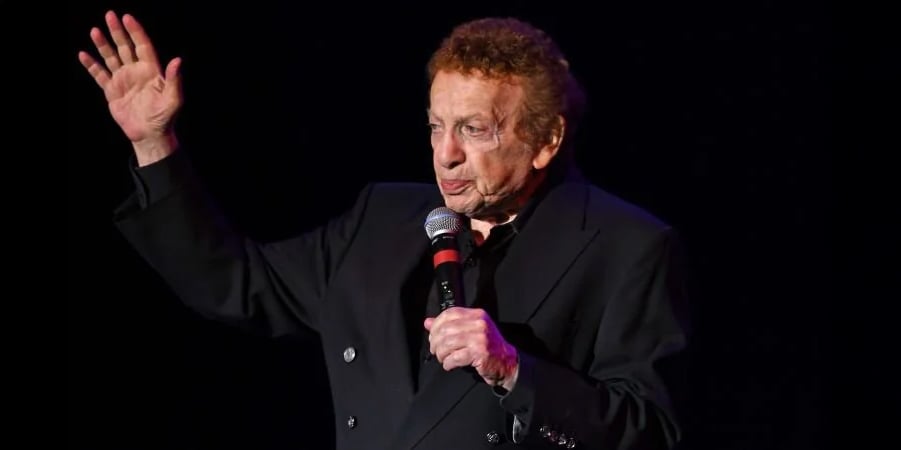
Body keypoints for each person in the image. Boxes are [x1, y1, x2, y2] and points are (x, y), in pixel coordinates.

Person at [79, 10, 690, 450]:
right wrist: (153, 144)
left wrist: (513, 371)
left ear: (545, 140)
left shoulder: (622, 246)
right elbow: (234, 283)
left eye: (474, 130)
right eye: (435, 126)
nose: (444, 154)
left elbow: (651, 433)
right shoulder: (381, 220)